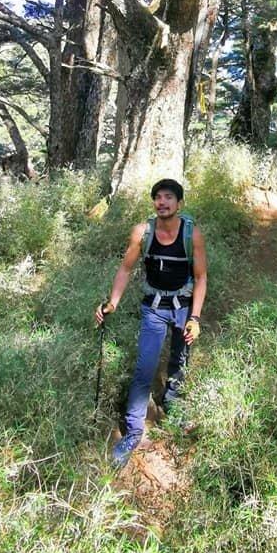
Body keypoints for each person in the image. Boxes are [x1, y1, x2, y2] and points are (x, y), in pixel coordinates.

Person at [95, 178, 207, 468]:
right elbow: (125, 268)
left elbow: (202, 277)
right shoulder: (142, 233)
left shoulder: (191, 234)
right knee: (145, 368)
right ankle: (133, 432)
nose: (162, 202)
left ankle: (172, 403)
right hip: (154, 308)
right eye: (157, 197)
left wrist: (195, 318)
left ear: (179, 204)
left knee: (180, 359)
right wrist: (112, 303)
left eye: (169, 197)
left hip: (183, 307)